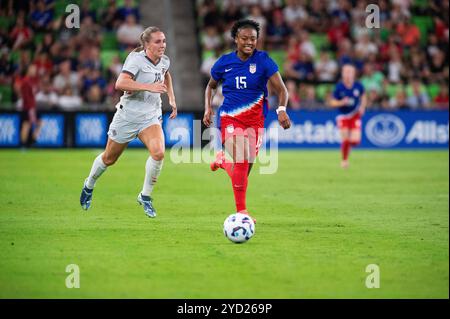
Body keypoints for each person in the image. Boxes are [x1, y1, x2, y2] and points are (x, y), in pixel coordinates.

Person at [80, 26, 177, 218]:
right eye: (158, 41)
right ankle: (89, 184)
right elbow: (120, 83)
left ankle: (145, 195)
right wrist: (148, 87)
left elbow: (166, 74)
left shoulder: (164, 60)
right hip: (128, 116)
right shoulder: (136, 60)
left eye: (164, 41)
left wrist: (172, 99)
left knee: (158, 153)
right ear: (147, 44)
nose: (162, 45)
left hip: (150, 116)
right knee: (109, 158)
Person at [203, 19, 291, 223]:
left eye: (253, 38)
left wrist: (282, 109)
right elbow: (210, 86)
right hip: (229, 118)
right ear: (236, 39)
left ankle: (223, 162)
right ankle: (241, 213)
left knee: (243, 171)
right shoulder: (224, 63)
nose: (249, 42)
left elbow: (282, 89)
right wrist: (208, 107)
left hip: (256, 122)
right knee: (242, 159)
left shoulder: (264, 60)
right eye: (244, 38)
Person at [329, 64, 367, 168]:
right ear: (342, 74)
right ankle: (344, 160)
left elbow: (363, 96)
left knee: (355, 141)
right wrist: (341, 102)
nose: (348, 74)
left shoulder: (358, 86)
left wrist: (362, 107)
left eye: (350, 72)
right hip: (343, 116)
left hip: (355, 115)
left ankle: (346, 148)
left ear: (354, 74)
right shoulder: (339, 87)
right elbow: (332, 102)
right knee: (345, 138)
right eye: (346, 72)